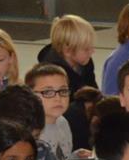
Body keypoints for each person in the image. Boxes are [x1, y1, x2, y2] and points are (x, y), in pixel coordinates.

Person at [39, 15, 100, 150]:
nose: (92, 51)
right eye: (86, 49)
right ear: (67, 50)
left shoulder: (85, 63)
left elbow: (93, 90)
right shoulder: (52, 71)